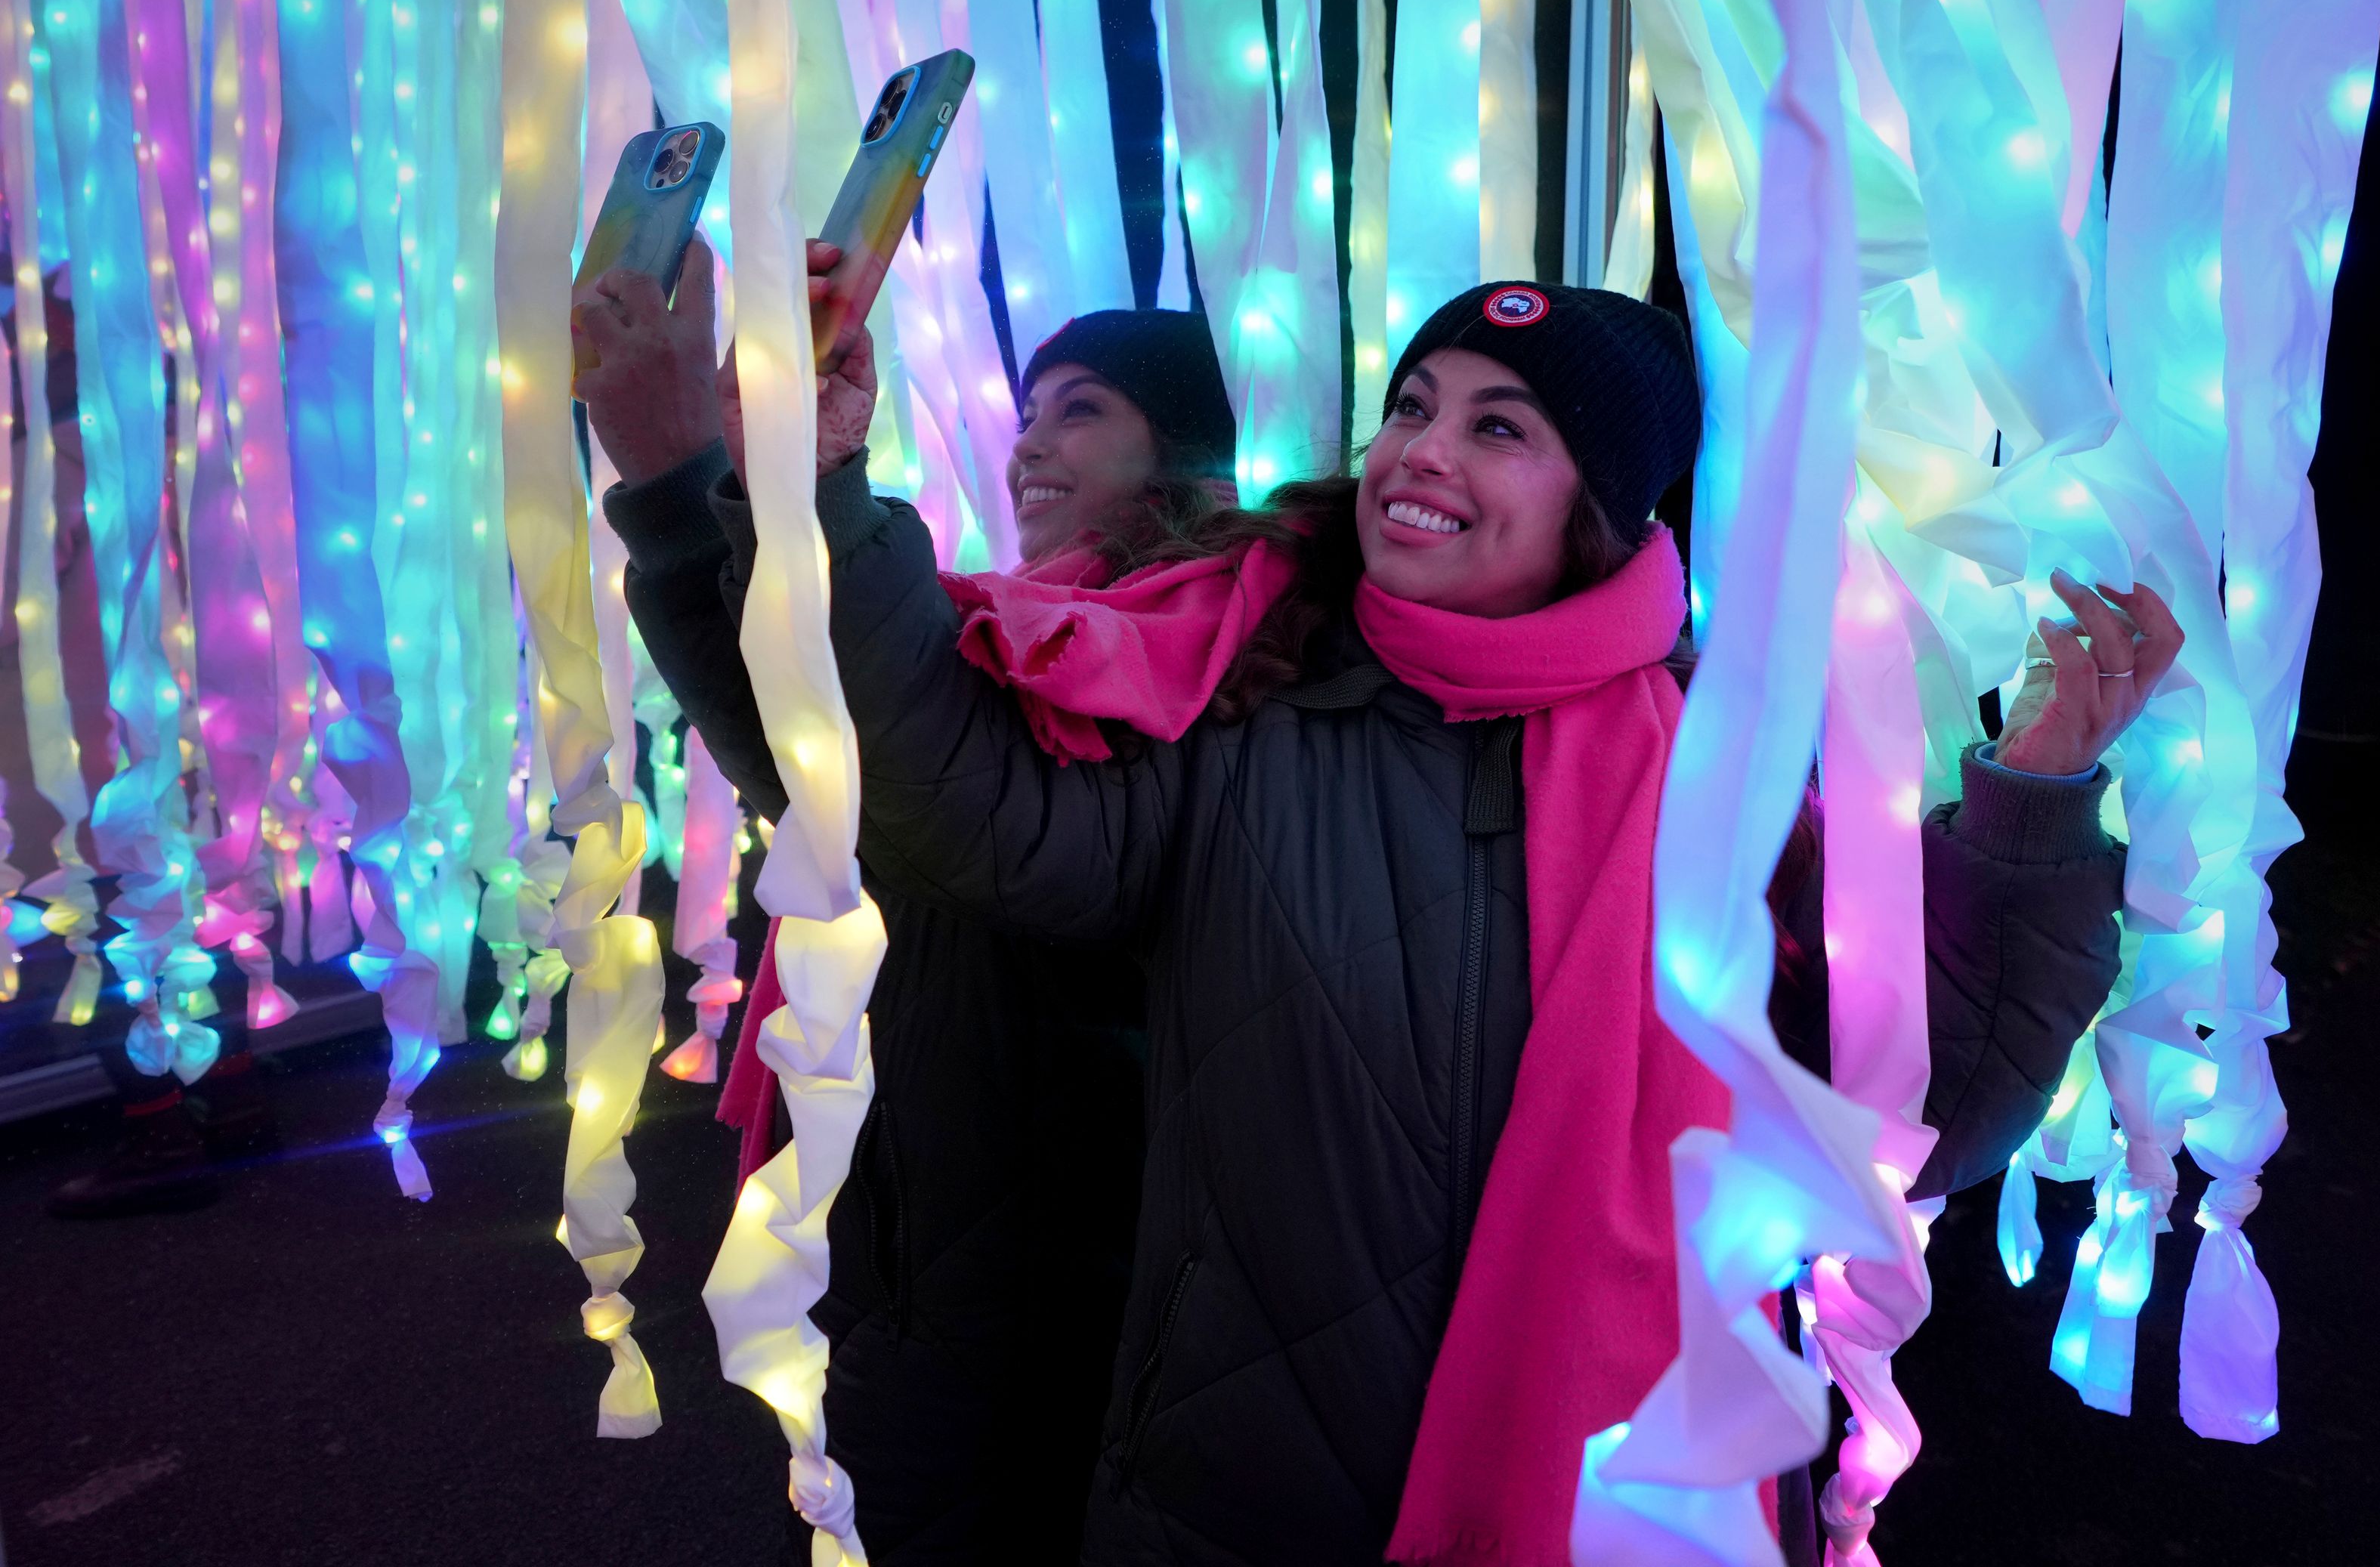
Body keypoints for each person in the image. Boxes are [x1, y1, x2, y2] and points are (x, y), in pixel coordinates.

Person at [586, 265, 2174, 1565]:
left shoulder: (1715, 788)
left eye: (1502, 428)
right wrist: (812, 489)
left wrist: (2028, 804)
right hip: (1229, 1508)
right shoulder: (1251, 701)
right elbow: (954, 798)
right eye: (1414, 405)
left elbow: (1920, 1108)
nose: (1426, 447)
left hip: (1605, 1511)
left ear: (1600, 508)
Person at [576, 241, 1236, 1562]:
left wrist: (768, 477)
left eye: (1084, 410)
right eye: (1032, 408)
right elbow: (811, 762)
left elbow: (912, 784)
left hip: (1054, 1241)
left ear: (1184, 455)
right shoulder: (1020, 623)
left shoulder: (1186, 651)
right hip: (936, 1198)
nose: (1032, 442)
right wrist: (667, 488)